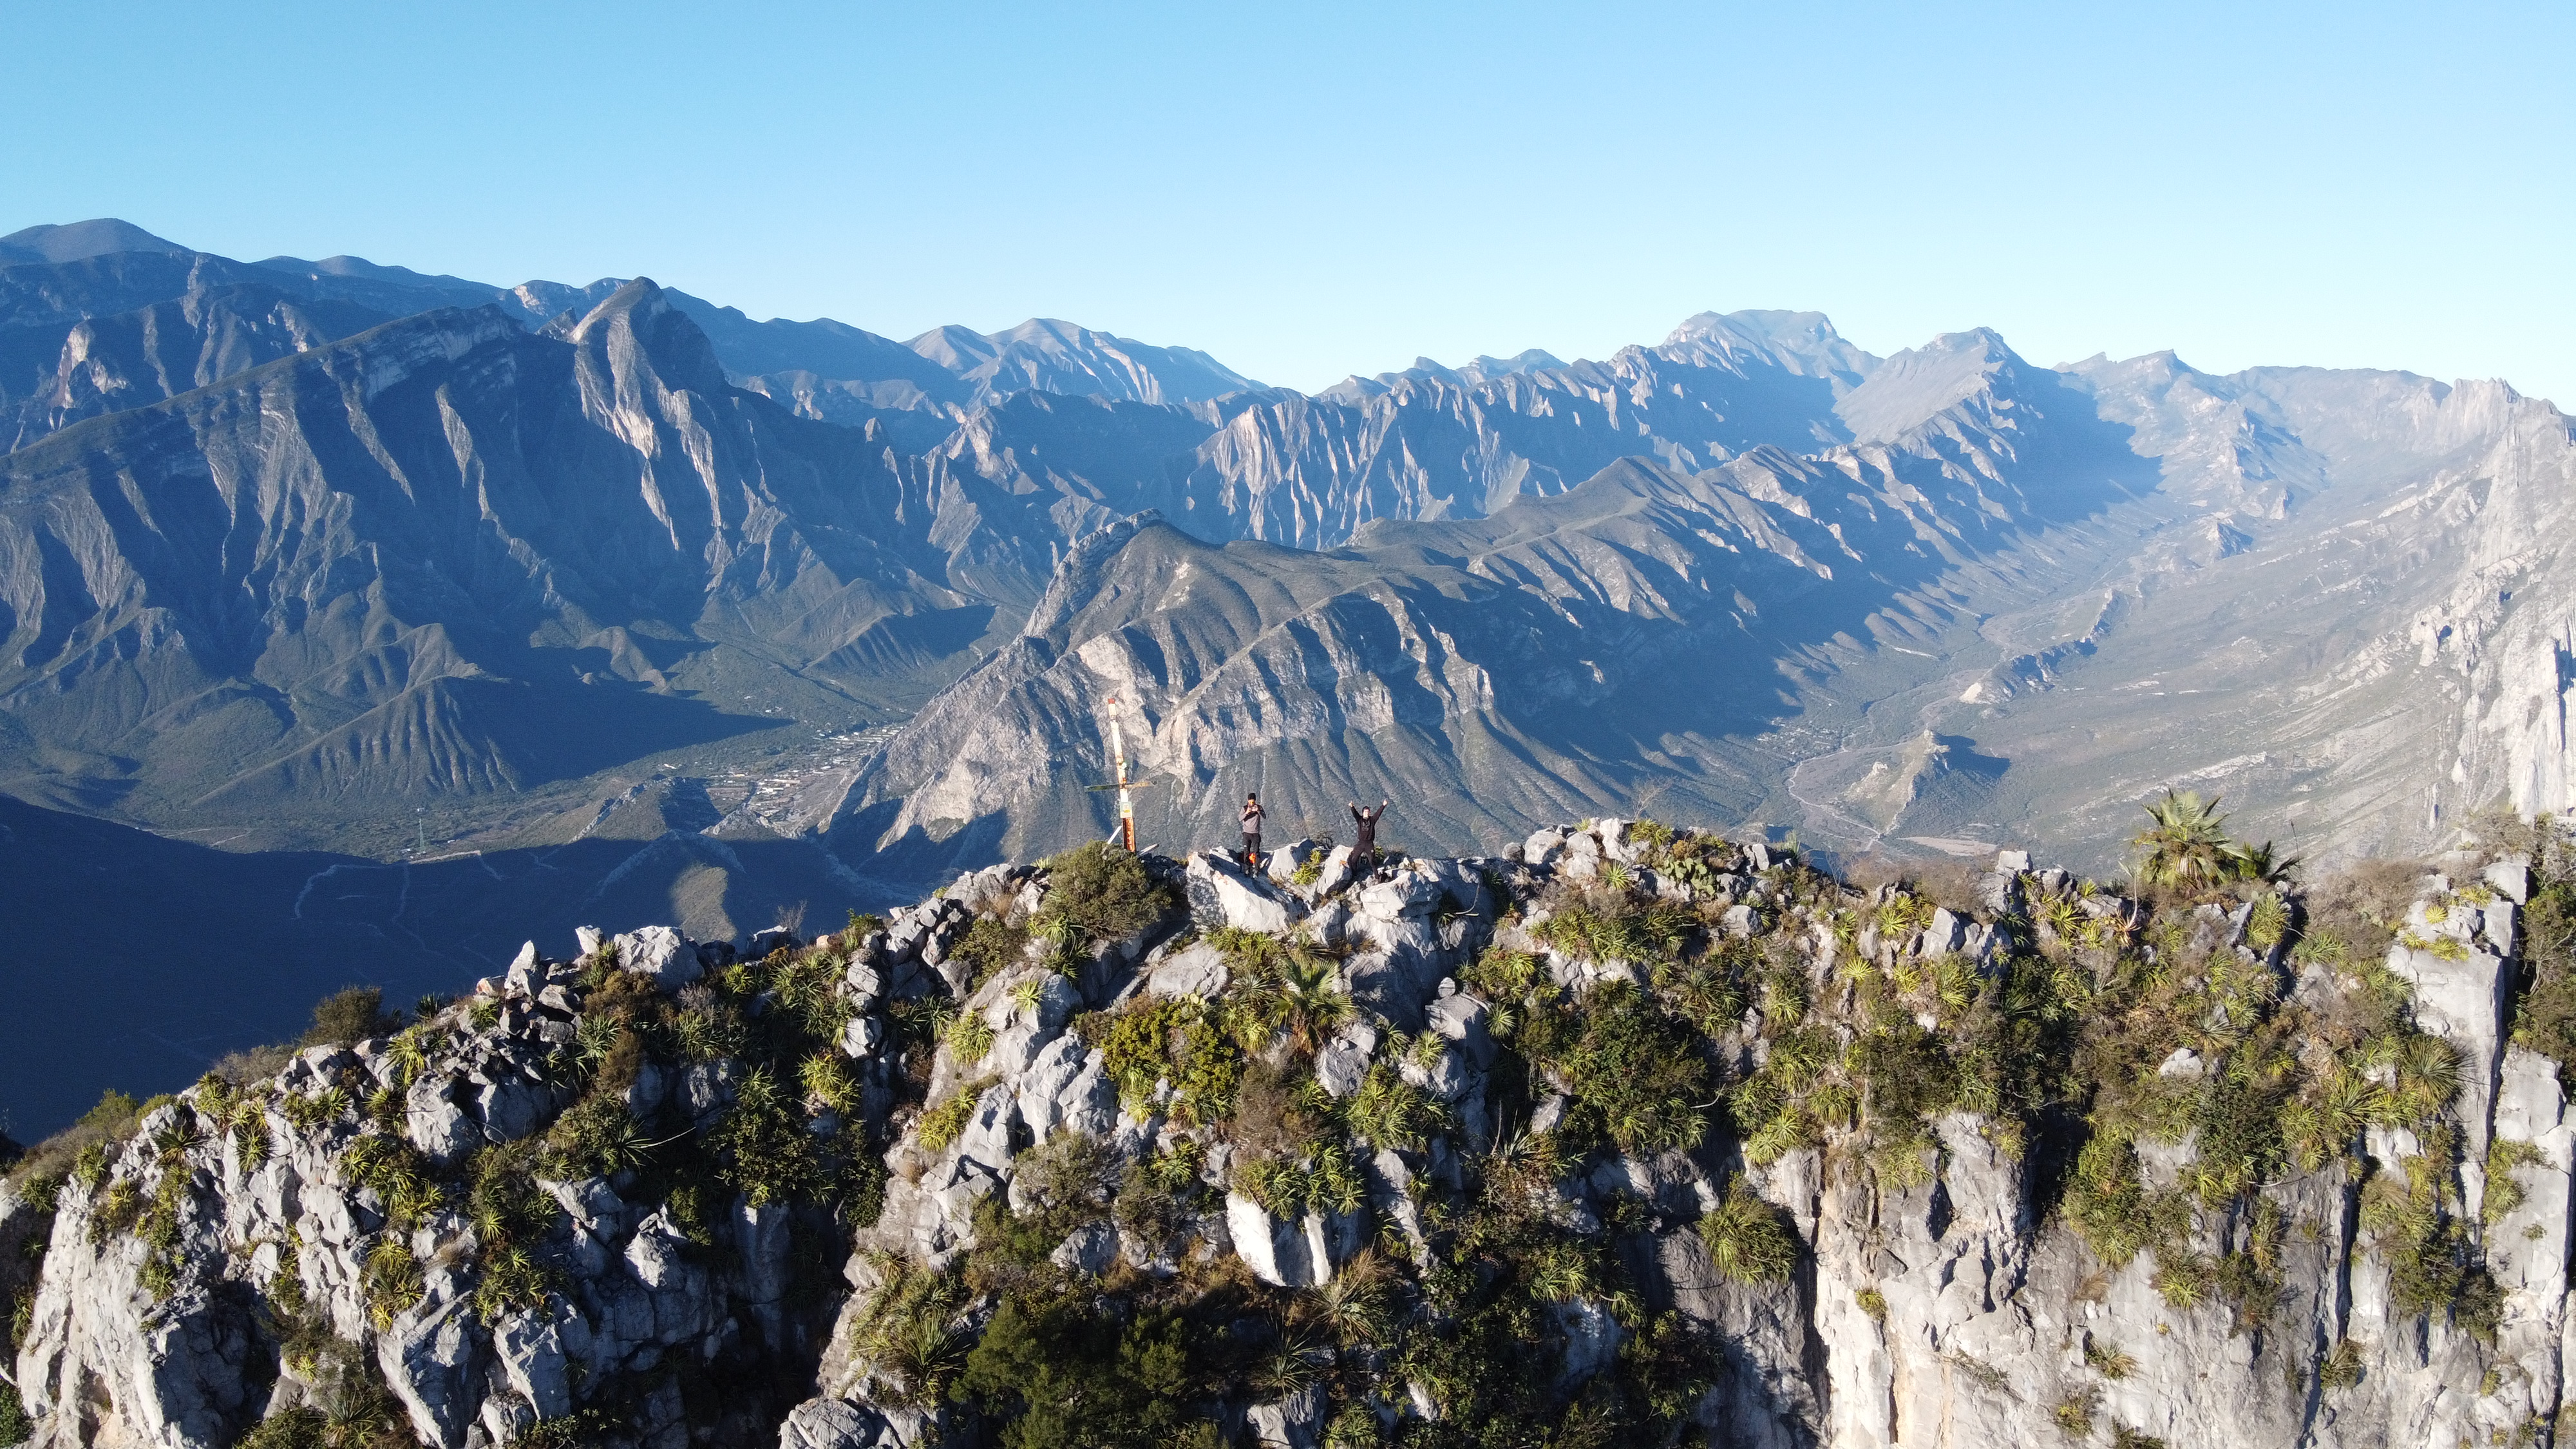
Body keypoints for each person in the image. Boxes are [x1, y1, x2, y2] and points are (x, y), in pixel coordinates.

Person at [1350, 798, 1388, 871]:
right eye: (1365, 811)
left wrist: (1383, 805)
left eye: (1368, 811)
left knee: (1372, 862)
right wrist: (1352, 807)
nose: (1367, 813)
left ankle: (1377, 876)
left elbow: (1378, 814)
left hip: (1369, 844)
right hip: (1361, 843)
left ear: (1369, 813)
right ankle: (1354, 874)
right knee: (1354, 860)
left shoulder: (1372, 820)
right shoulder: (1360, 820)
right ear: (1363, 812)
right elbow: (1355, 814)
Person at [1240, 791, 1265, 870]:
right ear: (1248, 801)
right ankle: (1247, 868)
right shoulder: (1244, 808)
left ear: (1255, 801)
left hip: (1255, 834)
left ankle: (1257, 869)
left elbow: (1264, 817)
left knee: (1256, 852)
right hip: (1246, 834)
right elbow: (1240, 818)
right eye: (1250, 802)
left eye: (1253, 802)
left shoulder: (1259, 808)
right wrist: (1247, 813)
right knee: (1246, 852)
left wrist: (1258, 811)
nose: (1251, 804)